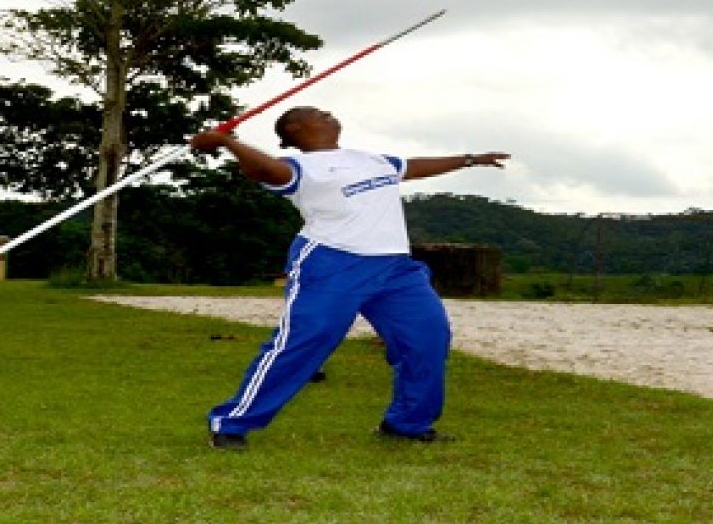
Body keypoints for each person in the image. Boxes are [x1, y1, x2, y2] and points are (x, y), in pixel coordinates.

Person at [190, 105, 510, 451]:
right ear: (295, 129)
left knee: (428, 337)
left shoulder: (370, 160)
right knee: (306, 340)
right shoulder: (298, 167)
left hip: (396, 268)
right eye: (317, 112)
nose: (327, 113)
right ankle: (231, 423)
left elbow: (414, 166)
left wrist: (469, 159)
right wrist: (227, 143)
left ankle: (407, 423)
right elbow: (264, 170)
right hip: (333, 262)